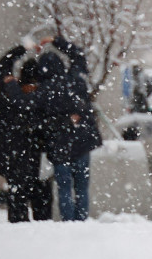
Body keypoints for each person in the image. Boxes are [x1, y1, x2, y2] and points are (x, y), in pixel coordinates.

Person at [36, 37, 103, 222]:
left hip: (60, 146)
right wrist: (57, 41)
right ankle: (81, 220)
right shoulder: (75, 79)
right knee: (82, 187)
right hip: (82, 141)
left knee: (64, 188)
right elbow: (78, 55)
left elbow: (41, 121)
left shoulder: (43, 91)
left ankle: (68, 222)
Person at [0, 50, 51, 222]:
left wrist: (21, 49)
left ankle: (18, 222)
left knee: (18, 191)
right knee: (40, 191)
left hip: (13, 150)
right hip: (36, 151)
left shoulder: (10, 91)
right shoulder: (41, 96)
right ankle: (41, 222)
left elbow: (3, 66)